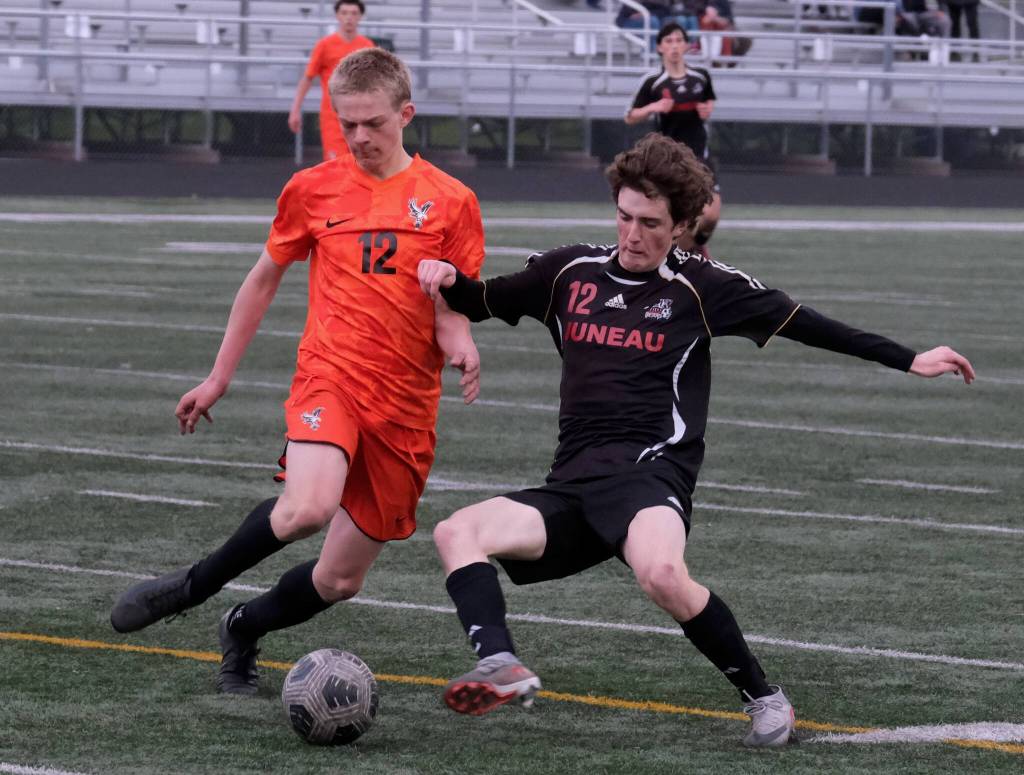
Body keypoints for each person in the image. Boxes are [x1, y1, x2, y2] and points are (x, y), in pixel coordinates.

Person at [416, 133, 975, 747]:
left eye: (651, 223)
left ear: (683, 225)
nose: (633, 235)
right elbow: (478, 298)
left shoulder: (703, 287)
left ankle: (765, 697)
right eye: (624, 216)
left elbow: (809, 325)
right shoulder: (566, 273)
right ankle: (499, 663)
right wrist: (445, 277)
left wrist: (910, 359)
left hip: (652, 476)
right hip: (572, 484)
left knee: (660, 574)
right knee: (455, 530)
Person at [110, 48, 487, 696]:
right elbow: (262, 281)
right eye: (349, 124)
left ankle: (244, 625)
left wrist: (461, 345)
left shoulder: (451, 202)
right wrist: (217, 377)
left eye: (374, 123)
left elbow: (452, 311)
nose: (361, 137)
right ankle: (193, 586)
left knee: (341, 579)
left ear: (407, 114)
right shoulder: (313, 189)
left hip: (405, 405)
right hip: (331, 376)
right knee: (307, 505)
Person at [625, 22, 720, 249]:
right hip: (671, 161)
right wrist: (653, 107)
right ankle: (688, 258)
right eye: (669, 41)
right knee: (680, 218)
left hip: (700, 156)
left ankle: (691, 251)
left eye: (679, 40)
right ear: (659, 47)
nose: (674, 46)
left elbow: (708, 102)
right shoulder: (653, 81)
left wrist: (708, 109)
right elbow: (630, 116)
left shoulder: (701, 76)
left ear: (687, 45)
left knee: (711, 216)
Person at [288, 0, 375, 161]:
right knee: (336, 166)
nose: (349, 18)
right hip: (333, 117)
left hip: (361, 117)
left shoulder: (367, 46)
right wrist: (295, 109)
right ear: (337, 16)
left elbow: (375, 82)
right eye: (344, 13)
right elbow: (308, 78)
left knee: (361, 165)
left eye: (354, 13)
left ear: (360, 16)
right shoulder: (325, 45)